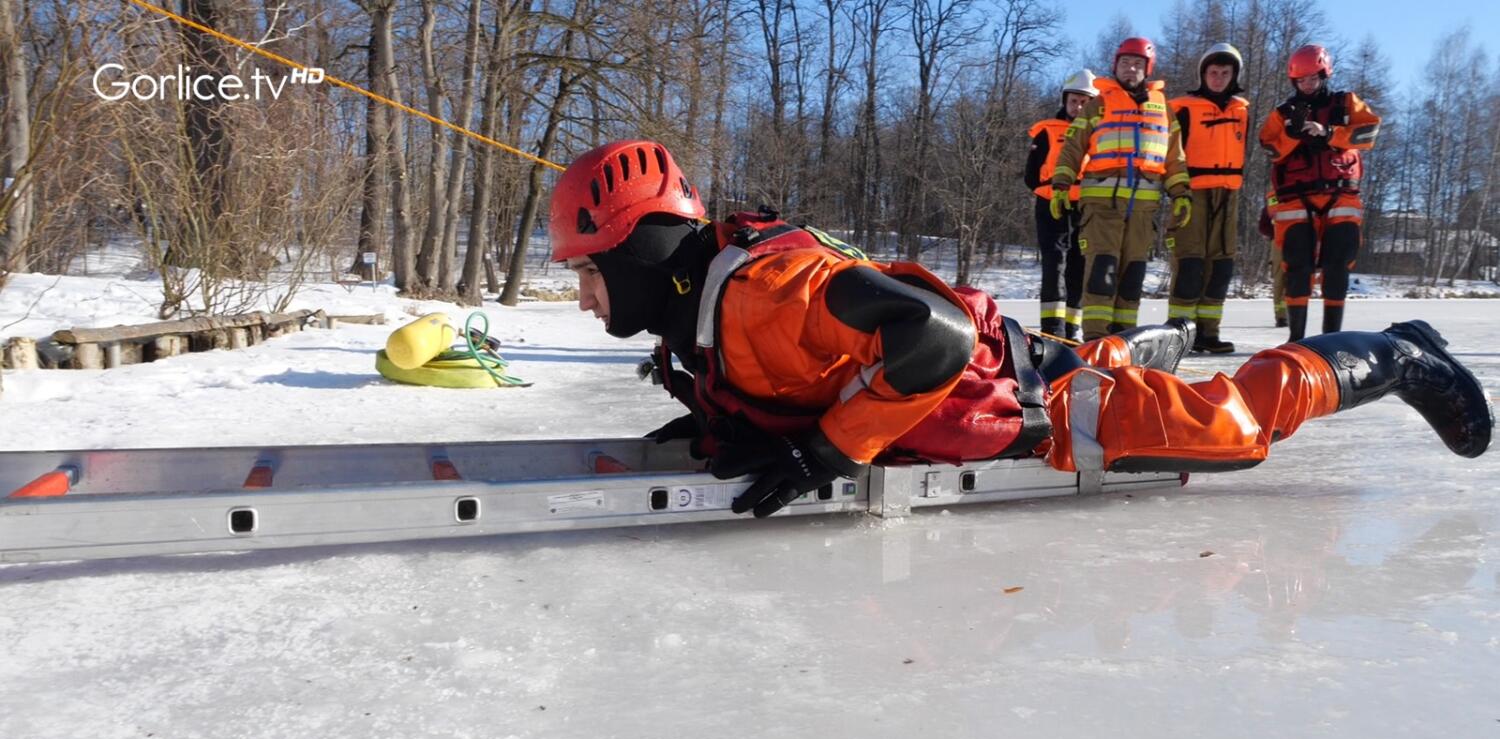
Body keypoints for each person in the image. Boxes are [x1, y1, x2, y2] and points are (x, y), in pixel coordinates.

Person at [548, 140, 1492, 519]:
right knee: (1101, 366)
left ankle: (1402, 354)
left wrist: (823, 455)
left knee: (1236, 428)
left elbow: (935, 339)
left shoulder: (766, 292)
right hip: (1003, 378)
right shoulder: (699, 312)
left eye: (588, 274)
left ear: (639, 253)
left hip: (1040, 404)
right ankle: (1116, 357)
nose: (586, 299)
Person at [1050, 37, 1191, 341]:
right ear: (1115, 66)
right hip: (1102, 206)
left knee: (1132, 275)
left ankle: (1124, 339)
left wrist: (1181, 193)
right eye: (1125, 63)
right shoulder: (1098, 104)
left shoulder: (1164, 110)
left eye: (1138, 64)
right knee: (1102, 271)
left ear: (1147, 69)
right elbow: (1073, 146)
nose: (1131, 69)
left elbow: (1174, 156)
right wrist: (1061, 185)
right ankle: (1096, 339)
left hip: (1143, 209)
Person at [1259, 43, 1380, 340]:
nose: (1308, 85)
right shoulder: (1283, 113)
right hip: (1296, 201)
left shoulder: (1346, 103)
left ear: (1325, 74)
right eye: (1301, 80)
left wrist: (1329, 133)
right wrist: (1292, 135)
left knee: (1338, 266)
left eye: (1313, 78)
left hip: (1341, 197)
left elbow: (1369, 132)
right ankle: (1296, 338)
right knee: (1297, 267)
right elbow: (1269, 147)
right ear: (1294, 81)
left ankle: (1331, 338)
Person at [1166, 43, 1250, 354]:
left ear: (1234, 76)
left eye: (1225, 73)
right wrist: (1177, 191)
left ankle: (1208, 333)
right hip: (1193, 193)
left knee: (1221, 266)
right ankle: (1179, 334)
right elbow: (1171, 153)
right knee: (1190, 264)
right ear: (1202, 74)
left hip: (1228, 196)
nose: (1218, 78)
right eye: (1213, 72)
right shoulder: (1183, 108)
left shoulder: (1242, 110)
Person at [1024, 69, 1098, 341]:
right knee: (1054, 262)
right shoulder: (1046, 131)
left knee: (1079, 265)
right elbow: (1031, 175)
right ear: (1065, 101)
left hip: (1085, 207)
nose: (1077, 107)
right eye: (1074, 101)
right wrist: (1051, 191)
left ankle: (1071, 329)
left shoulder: (1099, 135)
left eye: (1084, 102)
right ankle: (1052, 329)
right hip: (1051, 204)